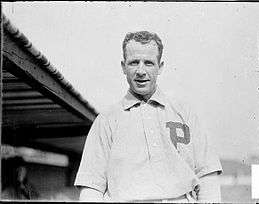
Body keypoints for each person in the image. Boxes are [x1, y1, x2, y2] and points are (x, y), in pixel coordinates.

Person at [74, 31, 223, 202]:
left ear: (160, 67)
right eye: (134, 62)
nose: (140, 71)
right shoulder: (106, 120)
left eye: (149, 63)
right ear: (123, 66)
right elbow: (91, 187)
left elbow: (207, 177)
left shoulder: (185, 113)